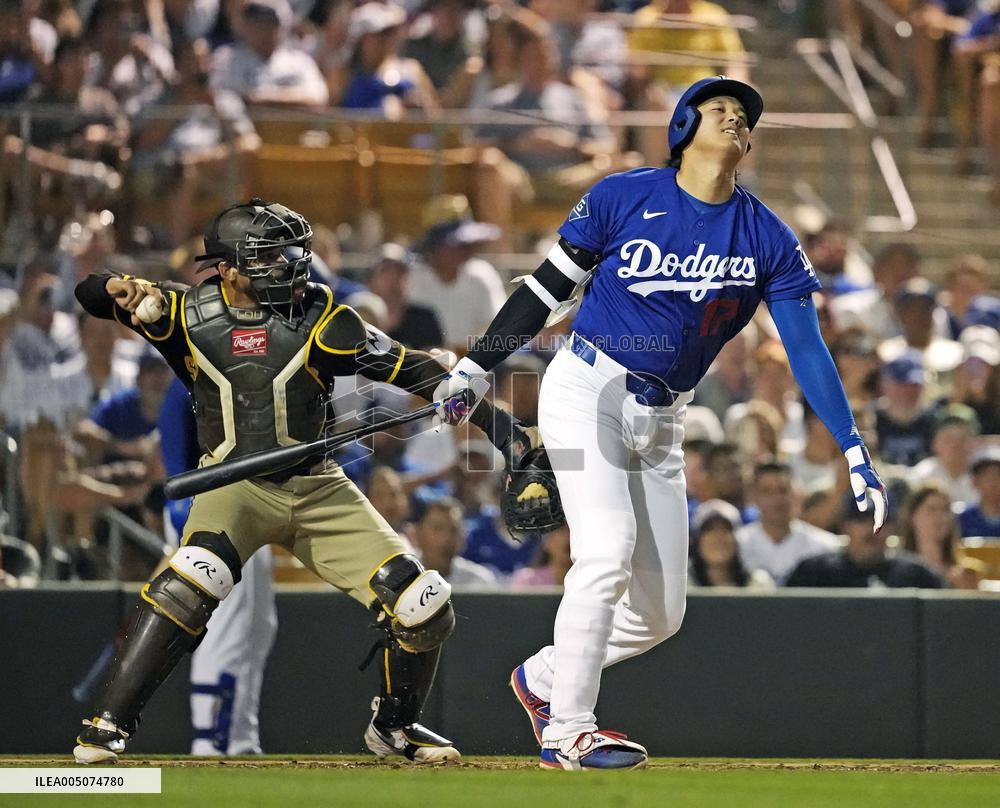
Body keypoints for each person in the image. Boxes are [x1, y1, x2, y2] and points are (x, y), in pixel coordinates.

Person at [432, 76, 888, 769]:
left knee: (660, 613)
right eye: (720, 110)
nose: (736, 118)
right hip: (587, 387)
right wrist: (476, 367)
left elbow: (806, 348)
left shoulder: (765, 233)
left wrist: (853, 445)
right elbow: (543, 290)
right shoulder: (622, 195)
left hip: (665, 418)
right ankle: (569, 730)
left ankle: (548, 677)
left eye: (744, 115)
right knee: (606, 549)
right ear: (681, 126)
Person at [70, 198, 534, 765]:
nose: (292, 266)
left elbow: (419, 369)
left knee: (423, 603)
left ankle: (395, 727)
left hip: (316, 487)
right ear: (229, 268)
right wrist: (117, 287)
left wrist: (505, 432)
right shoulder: (180, 314)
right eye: (271, 255)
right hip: (233, 485)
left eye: (294, 252)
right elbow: (89, 294)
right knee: (192, 578)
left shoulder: (322, 318)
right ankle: (107, 724)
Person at [157, 376, 277, 756]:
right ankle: (211, 740)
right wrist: (181, 498)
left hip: (252, 500)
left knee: (259, 625)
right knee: (227, 624)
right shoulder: (195, 374)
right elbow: (173, 414)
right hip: (209, 503)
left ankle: (240, 736)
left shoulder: (257, 368)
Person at [786, 501, 945, 589]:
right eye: (861, 520)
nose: (871, 529)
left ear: (892, 528)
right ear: (845, 526)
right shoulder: (815, 573)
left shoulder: (917, 576)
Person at [688, 499, 773, 589]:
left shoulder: (759, 584)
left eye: (726, 529)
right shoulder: (682, 584)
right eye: (709, 530)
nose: (718, 538)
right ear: (697, 540)